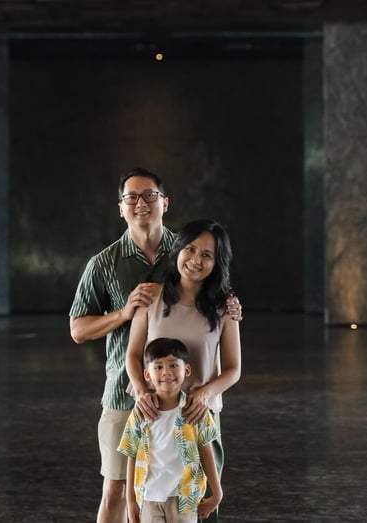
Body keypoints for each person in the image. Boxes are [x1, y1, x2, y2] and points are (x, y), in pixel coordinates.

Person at [69, 168, 243, 523]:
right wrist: (124, 312)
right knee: (120, 491)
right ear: (120, 207)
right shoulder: (104, 264)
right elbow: (78, 329)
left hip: (195, 409)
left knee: (194, 495)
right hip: (130, 397)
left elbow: (214, 282)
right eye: (131, 197)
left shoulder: (186, 248)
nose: (140, 203)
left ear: (165, 202)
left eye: (149, 195)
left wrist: (232, 306)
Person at [125, 219, 241, 523]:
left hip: (198, 416)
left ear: (217, 263)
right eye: (190, 249)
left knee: (202, 505)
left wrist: (203, 395)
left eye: (207, 255)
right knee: (152, 499)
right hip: (154, 414)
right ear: (178, 250)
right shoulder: (151, 297)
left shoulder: (224, 309)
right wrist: (141, 392)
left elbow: (233, 369)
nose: (195, 260)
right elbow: (134, 355)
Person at [118, 337, 222, 523]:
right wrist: (130, 500)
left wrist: (217, 492)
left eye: (174, 365)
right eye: (158, 367)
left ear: (186, 370)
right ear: (147, 375)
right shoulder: (140, 414)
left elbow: (206, 452)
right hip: (149, 497)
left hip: (185, 497)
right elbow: (131, 456)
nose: (167, 372)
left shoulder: (196, 411)